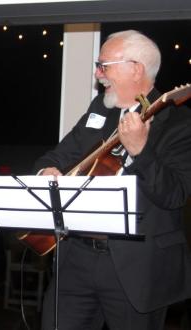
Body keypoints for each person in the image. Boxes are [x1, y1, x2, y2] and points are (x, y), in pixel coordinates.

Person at [34, 30, 191, 329]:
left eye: (104, 65)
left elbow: (175, 194)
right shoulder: (99, 110)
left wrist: (141, 151)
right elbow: (56, 156)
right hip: (76, 259)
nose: (97, 73)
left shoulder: (181, 123)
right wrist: (47, 173)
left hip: (138, 267)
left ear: (136, 68)